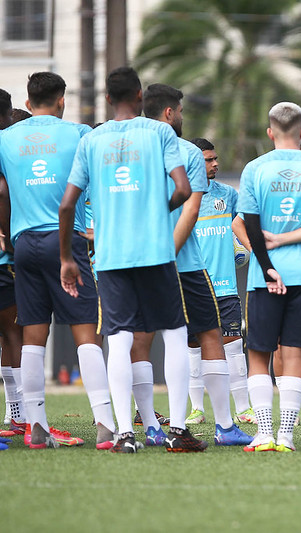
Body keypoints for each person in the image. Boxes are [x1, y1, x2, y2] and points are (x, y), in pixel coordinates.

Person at [59, 66, 205, 453]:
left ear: (107, 99)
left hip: (110, 255)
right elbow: (183, 188)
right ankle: (177, 430)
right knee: (174, 334)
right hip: (155, 251)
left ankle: (124, 432)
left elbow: (68, 204)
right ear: (140, 96)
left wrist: (66, 258)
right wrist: (159, 210)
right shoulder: (159, 132)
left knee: (119, 339)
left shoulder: (92, 140)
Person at [0, 72, 114, 449]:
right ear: (61, 100)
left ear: (28, 102)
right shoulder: (81, 133)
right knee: (86, 331)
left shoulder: (5, 138)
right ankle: (104, 423)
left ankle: (36, 426)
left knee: (33, 336)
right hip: (66, 240)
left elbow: (1, 188)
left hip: (24, 244)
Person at [133, 84, 250, 447]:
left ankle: (149, 426)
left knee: (140, 340)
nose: (182, 116)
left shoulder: (128, 151)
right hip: (182, 263)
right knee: (209, 335)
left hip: (135, 261)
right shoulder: (186, 151)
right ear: (169, 112)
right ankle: (224, 426)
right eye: (180, 110)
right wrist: (169, 253)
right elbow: (191, 208)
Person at [239, 101, 301, 452]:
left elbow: (248, 225)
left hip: (263, 276)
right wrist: (287, 239)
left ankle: (263, 433)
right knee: (294, 355)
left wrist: (267, 266)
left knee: (259, 354)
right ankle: (286, 437)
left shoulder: (254, 169)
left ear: (269, 132)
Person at [189, 137, 255, 425]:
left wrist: (247, 249)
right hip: (193, 286)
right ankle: (196, 409)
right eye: (208, 159)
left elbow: (243, 224)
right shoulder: (180, 198)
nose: (215, 163)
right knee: (193, 348)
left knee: (233, 345)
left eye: (215, 158)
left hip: (226, 288)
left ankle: (243, 408)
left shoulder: (228, 195)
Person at [0, 88, 24, 450]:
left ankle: (15, 414)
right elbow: (3, 192)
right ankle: (20, 414)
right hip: (7, 260)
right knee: (14, 333)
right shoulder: (6, 144)